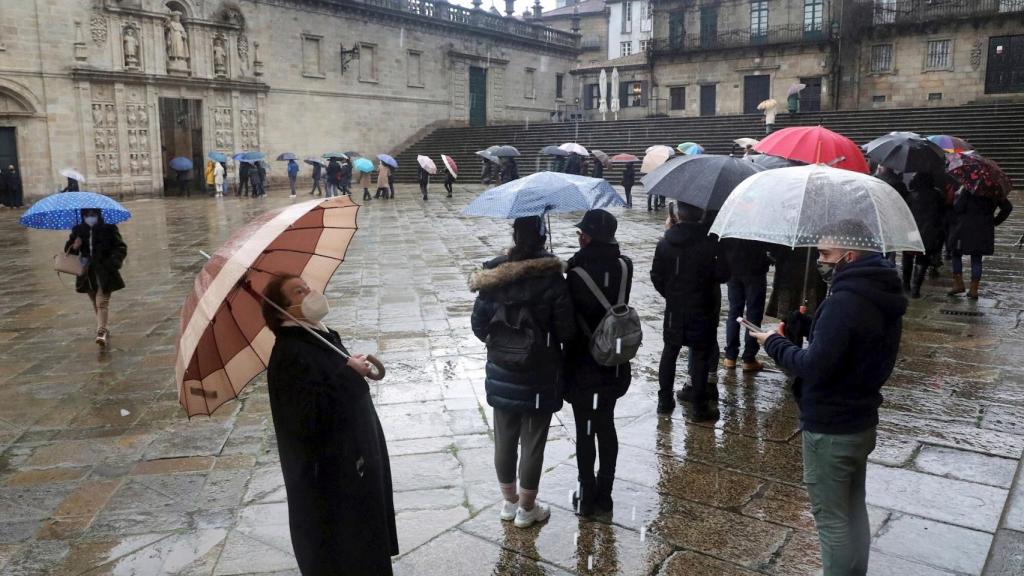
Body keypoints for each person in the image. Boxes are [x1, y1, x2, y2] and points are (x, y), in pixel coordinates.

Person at [751, 219, 908, 576]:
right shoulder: (878, 292)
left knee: (832, 521)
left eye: (825, 253)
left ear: (848, 255)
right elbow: (853, 342)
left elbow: (813, 366)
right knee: (853, 512)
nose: (820, 260)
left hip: (831, 427)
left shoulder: (845, 301)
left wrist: (773, 342)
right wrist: (807, 325)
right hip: (860, 418)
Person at [262, 274, 399, 575]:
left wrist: (349, 367)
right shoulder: (288, 354)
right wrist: (348, 374)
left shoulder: (316, 335)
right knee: (349, 551)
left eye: (307, 286)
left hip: (355, 463)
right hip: (333, 477)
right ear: (282, 310)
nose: (311, 292)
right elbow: (304, 418)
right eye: (299, 292)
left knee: (367, 542)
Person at [469, 216, 575, 529]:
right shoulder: (553, 278)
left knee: (504, 436)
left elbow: (478, 325)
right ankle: (527, 510)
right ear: (543, 239)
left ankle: (509, 503)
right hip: (541, 371)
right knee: (533, 439)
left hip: (502, 368)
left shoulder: (493, 276)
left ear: (515, 236)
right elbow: (566, 330)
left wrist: (501, 342)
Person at [564, 210, 632, 518]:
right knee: (606, 423)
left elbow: (568, 324)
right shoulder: (625, 265)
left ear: (591, 236)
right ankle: (606, 494)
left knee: (585, 428)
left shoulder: (575, 273)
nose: (580, 237)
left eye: (583, 233)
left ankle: (586, 491)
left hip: (583, 362)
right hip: (614, 360)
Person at [651, 203, 729, 420]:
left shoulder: (665, 242)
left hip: (675, 308)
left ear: (678, 214)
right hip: (702, 306)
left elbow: (656, 275)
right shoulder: (710, 243)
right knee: (701, 355)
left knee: (670, 352)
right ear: (701, 214)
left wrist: (672, 294)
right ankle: (699, 406)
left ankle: (664, 401)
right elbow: (724, 274)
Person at [64, 208, 128, 348]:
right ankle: (103, 325)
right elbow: (68, 250)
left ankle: (101, 331)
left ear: (98, 215)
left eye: (93, 215)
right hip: (87, 272)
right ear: (83, 216)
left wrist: (113, 262)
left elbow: (120, 247)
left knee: (102, 302)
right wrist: (75, 246)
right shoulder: (78, 230)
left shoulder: (109, 228)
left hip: (105, 271)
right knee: (95, 301)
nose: (90, 218)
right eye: (87, 215)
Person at [947, 188, 1013, 299]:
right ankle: (973, 289)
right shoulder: (994, 191)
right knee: (977, 257)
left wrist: (954, 199)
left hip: (965, 228)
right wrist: (995, 221)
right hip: (984, 228)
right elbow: (1008, 207)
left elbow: (958, 208)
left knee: (956, 253)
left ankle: (958, 284)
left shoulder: (969, 189)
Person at [722, 239, 771, 371]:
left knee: (734, 313)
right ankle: (748, 358)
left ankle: (730, 357)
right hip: (755, 270)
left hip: (733, 268)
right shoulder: (758, 224)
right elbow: (769, 246)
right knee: (753, 314)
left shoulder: (732, 220)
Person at [901, 172, 944, 298]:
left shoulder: (910, 195)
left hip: (912, 231)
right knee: (923, 259)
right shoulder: (937, 194)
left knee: (908, 256)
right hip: (929, 231)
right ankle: (916, 289)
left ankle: (906, 286)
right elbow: (942, 213)